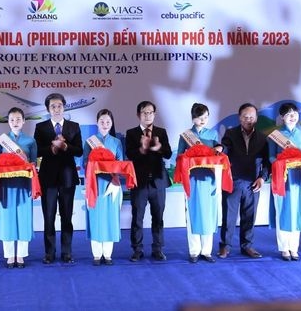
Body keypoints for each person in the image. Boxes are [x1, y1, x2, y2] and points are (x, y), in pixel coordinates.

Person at [34, 93, 83, 264]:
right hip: (47, 177)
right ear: (48, 109)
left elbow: (79, 151)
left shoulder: (74, 126)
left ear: (64, 107)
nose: (56, 109)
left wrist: (66, 146)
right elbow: (37, 151)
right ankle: (49, 253)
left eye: (59, 105)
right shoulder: (41, 127)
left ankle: (67, 252)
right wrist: (53, 148)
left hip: (68, 177)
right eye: (53, 106)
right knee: (48, 216)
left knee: (67, 216)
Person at [218, 103, 269, 260]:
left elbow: (267, 161)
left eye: (252, 117)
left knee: (249, 215)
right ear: (239, 118)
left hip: (253, 182)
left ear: (256, 118)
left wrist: (262, 177)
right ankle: (225, 247)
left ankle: (247, 246)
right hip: (233, 181)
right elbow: (225, 149)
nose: (249, 120)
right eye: (245, 117)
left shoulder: (262, 137)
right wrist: (220, 149)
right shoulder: (230, 134)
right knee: (229, 216)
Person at [125, 100, 172, 262]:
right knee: (137, 217)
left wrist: (158, 148)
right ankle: (137, 249)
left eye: (150, 112)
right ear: (138, 114)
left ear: (154, 114)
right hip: (139, 182)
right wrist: (142, 148)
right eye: (144, 112)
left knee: (158, 216)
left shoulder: (161, 131)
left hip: (158, 181)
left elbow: (168, 154)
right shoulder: (131, 133)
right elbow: (130, 155)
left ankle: (158, 249)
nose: (147, 115)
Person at [176, 103, 223, 263]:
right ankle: (194, 251)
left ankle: (207, 251)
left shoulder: (213, 133)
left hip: (209, 178)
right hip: (192, 179)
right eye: (199, 117)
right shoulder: (186, 135)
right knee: (193, 214)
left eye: (205, 117)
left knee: (209, 214)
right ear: (192, 118)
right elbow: (180, 157)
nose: (202, 120)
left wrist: (219, 150)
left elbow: (218, 155)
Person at [0, 107, 38, 268]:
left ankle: (20, 255)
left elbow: (33, 164)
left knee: (23, 217)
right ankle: (9, 255)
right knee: (7, 219)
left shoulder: (31, 141)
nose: (15, 122)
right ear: (8, 121)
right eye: (12, 119)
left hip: (24, 184)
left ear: (24, 121)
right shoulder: (2, 140)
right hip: (6, 185)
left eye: (18, 119)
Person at [267, 102, 301, 261]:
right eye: (289, 114)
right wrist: (283, 161)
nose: (293, 117)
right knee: (283, 210)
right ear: (282, 117)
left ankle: (294, 248)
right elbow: (271, 157)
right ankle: (284, 248)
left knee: (297, 210)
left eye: (295, 114)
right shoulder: (275, 135)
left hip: (299, 177)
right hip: (282, 176)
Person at [82, 109, 124, 265]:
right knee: (96, 217)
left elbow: (121, 162)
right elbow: (84, 162)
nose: (105, 125)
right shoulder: (90, 141)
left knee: (110, 217)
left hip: (112, 183)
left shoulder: (117, 142)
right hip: (95, 184)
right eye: (102, 122)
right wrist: (94, 164)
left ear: (111, 123)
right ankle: (96, 255)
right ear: (97, 123)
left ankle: (108, 255)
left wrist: (114, 174)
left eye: (108, 122)